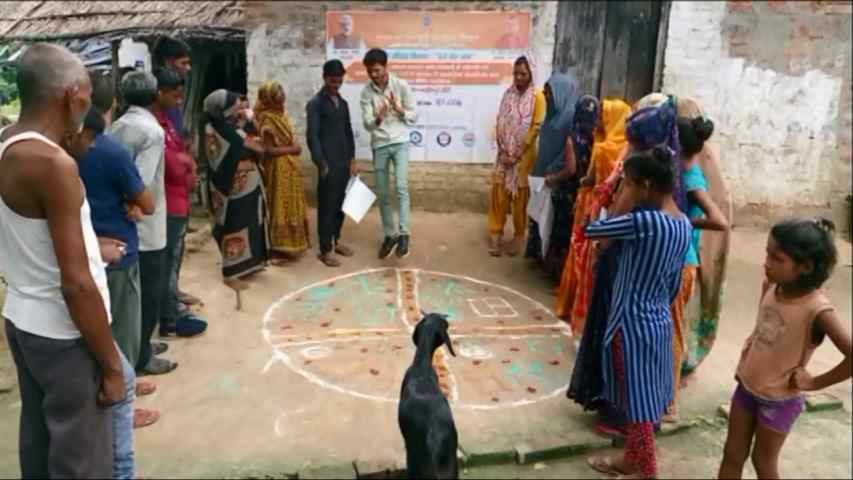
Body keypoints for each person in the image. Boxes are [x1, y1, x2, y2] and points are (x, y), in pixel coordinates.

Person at [0, 43, 124, 478]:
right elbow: (76, 284)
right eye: (87, 93)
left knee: (39, 444)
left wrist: (91, 244)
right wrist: (111, 366)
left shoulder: (8, 144)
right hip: (65, 334)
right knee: (81, 461)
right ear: (73, 96)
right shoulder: (52, 163)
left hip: (23, 319)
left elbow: (29, 233)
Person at [583, 147, 692, 480]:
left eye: (628, 184)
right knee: (643, 396)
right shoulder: (683, 224)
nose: (624, 189)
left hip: (628, 323)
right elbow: (673, 284)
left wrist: (619, 200)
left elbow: (592, 230)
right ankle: (632, 461)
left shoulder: (644, 221)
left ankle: (646, 470)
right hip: (658, 320)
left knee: (637, 403)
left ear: (644, 186)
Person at [718, 218, 851, 479]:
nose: (766, 263)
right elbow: (763, 331)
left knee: (763, 462)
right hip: (747, 388)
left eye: (776, 258)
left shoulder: (818, 310)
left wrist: (815, 383)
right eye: (767, 254)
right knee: (732, 453)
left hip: (780, 401)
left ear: (805, 267)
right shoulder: (771, 287)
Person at [77, 71, 161, 434]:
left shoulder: (68, 147)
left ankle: (124, 388)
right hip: (118, 251)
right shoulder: (108, 149)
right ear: (113, 103)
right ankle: (124, 408)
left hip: (87, 248)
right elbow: (147, 202)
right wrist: (136, 200)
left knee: (98, 331)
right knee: (123, 333)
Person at [111, 70, 178, 376]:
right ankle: (141, 357)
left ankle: (141, 346)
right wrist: (136, 205)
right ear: (154, 96)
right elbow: (142, 181)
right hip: (147, 224)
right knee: (150, 293)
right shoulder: (151, 131)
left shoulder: (118, 126)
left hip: (122, 221)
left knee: (134, 295)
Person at [665, 112, 729, 422]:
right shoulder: (681, 170)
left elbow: (719, 221)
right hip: (675, 257)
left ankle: (669, 402)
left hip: (682, 260)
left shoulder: (690, 178)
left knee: (673, 330)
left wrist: (687, 221)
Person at [556, 99, 631, 336]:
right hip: (617, 209)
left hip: (594, 206)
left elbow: (590, 179)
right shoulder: (629, 149)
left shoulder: (604, 148)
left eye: (603, 116)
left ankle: (573, 307)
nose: (599, 121)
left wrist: (584, 184)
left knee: (583, 256)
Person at [154, 67, 208, 339]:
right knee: (167, 263)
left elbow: (182, 158)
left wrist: (187, 163)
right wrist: (187, 162)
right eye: (174, 96)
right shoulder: (154, 128)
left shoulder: (167, 122)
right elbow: (174, 166)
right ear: (159, 93)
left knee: (172, 261)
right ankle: (169, 318)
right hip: (168, 204)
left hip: (178, 201)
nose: (178, 102)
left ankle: (170, 309)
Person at [200, 89, 269, 289]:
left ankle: (249, 264)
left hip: (248, 183)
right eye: (236, 106)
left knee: (251, 221)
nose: (240, 110)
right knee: (235, 224)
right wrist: (252, 149)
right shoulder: (218, 129)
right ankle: (231, 274)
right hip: (234, 188)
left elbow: (257, 145)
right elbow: (256, 148)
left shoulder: (230, 126)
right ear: (225, 108)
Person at [152, 36, 201, 308]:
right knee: (169, 246)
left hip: (178, 184)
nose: (188, 68)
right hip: (167, 188)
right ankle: (168, 301)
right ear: (169, 63)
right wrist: (184, 161)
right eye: (184, 63)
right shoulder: (159, 104)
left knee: (176, 244)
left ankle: (173, 290)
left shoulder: (173, 100)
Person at [360, 48, 417, 260]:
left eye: (376, 70)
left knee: (401, 188)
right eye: (370, 71)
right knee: (383, 193)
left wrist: (399, 109)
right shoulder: (366, 93)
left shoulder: (401, 85)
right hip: (380, 144)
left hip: (400, 142)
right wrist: (379, 117)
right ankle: (389, 235)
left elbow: (414, 115)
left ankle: (404, 235)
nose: (373, 75)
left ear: (385, 67)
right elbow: (367, 125)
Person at [488, 55, 545, 257]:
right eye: (516, 73)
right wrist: (504, 152)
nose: (518, 78)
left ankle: (519, 236)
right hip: (504, 156)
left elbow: (536, 127)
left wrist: (518, 153)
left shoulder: (538, 97)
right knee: (499, 195)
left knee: (520, 199)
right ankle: (495, 234)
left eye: (523, 74)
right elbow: (500, 122)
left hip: (524, 158)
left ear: (531, 74)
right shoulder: (508, 94)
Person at [306, 59, 358, 267]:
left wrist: (352, 159)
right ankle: (325, 249)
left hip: (344, 162)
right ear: (325, 78)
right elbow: (312, 136)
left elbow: (348, 131)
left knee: (341, 205)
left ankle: (336, 241)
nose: (337, 85)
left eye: (339, 81)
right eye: (333, 81)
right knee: (327, 207)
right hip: (328, 164)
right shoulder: (315, 104)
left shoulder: (343, 104)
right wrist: (321, 163)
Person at [524, 71, 578, 267]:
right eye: (545, 92)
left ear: (561, 93)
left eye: (549, 93)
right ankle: (537, 255)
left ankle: (550, 263)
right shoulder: (551, 115)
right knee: (538, 213)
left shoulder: (570, 118)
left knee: (552, 220)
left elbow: (569, 151)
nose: (546, 97)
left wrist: (553, 171)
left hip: (558, 177)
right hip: (542, 174)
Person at [255, 80, 311, 262]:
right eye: (278, 101)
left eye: (282, 100)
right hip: (278, 169)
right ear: (269, 101)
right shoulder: (267, 119)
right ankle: (278, 248)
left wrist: (294, 149)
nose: (281, 104)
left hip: (290, 168)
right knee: (280, 206)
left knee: (292, 205)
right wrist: (293, 149)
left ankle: (293, 243)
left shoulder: (281, 115)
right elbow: (269, 150)